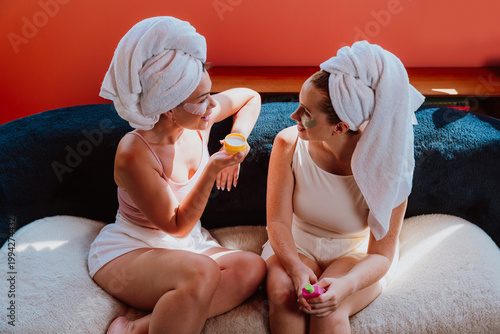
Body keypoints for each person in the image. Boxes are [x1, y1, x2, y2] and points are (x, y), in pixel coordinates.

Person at [88, 17, 266, 334]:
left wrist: (238, 136)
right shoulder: (134, 153)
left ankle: (138, 328)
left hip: (188, 250)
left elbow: (250, 96)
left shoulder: (199, 121)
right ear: (169, 107)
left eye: (210, 93)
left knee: (251, 267)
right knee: (202, 273)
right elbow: (177, 226)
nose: (213, 105)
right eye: (202, 99)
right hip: (132, 251)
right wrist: (213, 168)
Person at [262, 41, 425, 333]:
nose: (293, 116)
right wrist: (296, 268)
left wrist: (347, 285)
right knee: (283, 295)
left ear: (340, 127)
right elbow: (276, 222)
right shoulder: (287, 144)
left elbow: (381, 254)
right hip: (296, 244)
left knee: (326, 310)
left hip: (356, 254)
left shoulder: (390, 169)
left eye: (306, 113)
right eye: (298, 105)